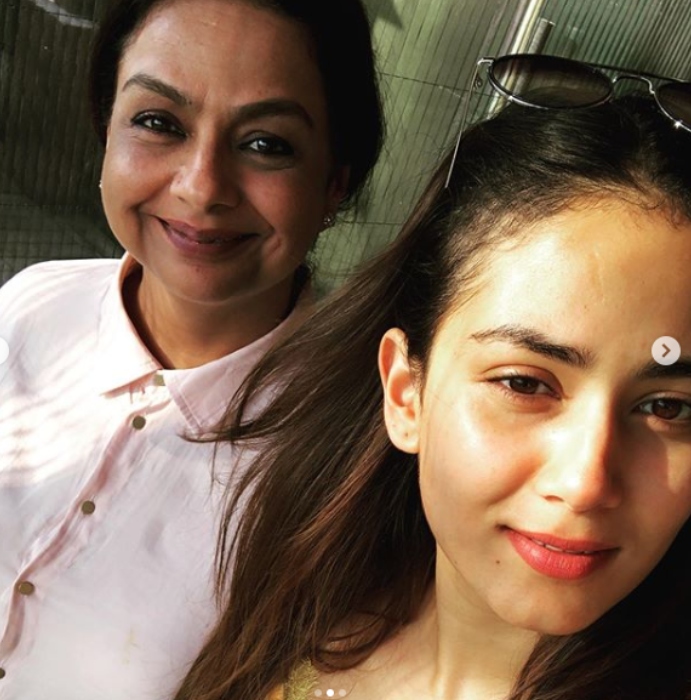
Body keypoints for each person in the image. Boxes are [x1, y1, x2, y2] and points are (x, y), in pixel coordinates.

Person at [173, 85, 691, 699]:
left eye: (667, 407)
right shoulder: (307, 598)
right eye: (524, 383)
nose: (585, 483)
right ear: (405, 393)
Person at [0, 0, 383, 696]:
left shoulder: (350, 460)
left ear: (336, 181)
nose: (202, 187)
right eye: (158, 123)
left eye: (266, 144)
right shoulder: (30, 306)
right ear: (106, 130)